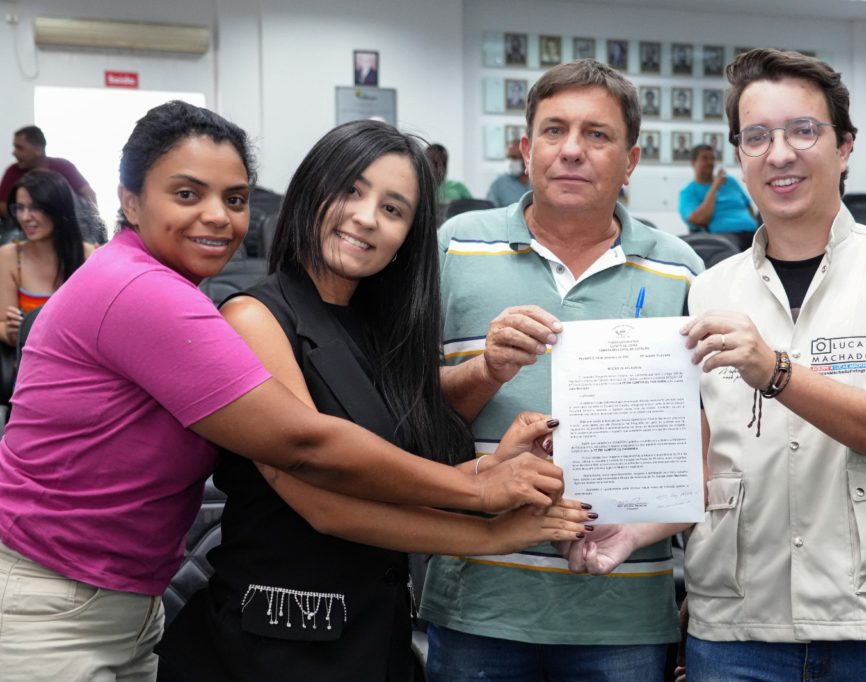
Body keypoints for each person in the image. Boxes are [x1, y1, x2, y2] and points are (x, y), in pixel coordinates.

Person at [0, 101, 570, 680]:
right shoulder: (168, 297)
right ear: (129, 199)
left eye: (235, 199)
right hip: (77, 601)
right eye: (187, 194)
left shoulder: (370, 323)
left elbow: (396, 436)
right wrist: (483, 509)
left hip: (152, 604)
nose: (217, 217)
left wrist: (489, 422)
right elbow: (310, 454)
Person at [565, 48, 866, 682]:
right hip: (736, 629)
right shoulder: (706, 291)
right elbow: (698, 464)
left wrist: (778, 373)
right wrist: (634, 531)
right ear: (740, 156)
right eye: (757, 137)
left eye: (803, 130)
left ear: (845, 146)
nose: (780, 153)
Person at [156, 120, 592, 681]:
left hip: (373, 632)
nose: (366, 217)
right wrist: (489, 521)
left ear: (406, 239)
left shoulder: (377, 331)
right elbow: (326, 504)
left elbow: (392, 472)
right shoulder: (253, 316)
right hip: (277, 643)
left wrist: (495, 462)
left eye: (393, 209)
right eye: (351, 190)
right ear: (313, 191)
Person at [419, 58, 704, 681]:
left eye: (597, 135)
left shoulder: (682, 271)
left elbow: (706, 451)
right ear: (526, 150)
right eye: (553, 131)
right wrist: (488, 370)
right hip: (481, 603)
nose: (572, 150)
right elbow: (410, 427)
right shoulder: (455, 247)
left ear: (630, 161)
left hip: (623, 610)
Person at [0, 169, 96, 346]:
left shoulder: (90, 257)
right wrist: (11, 330)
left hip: (79, 362)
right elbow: (2, 324)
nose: (24, 217)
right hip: (29, 361)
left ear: (58, 209)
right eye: (19, 208)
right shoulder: (9, 256)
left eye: (35, 207)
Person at [0, 126, 98, 220]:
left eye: (20, 148)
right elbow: (2, 205)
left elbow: (88, 193)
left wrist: (92, 222)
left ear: (38, 150)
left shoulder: (63, 166)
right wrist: (25, 218)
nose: (14, 152)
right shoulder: (13, 171)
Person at [678, 143, 757, 241]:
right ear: (693, 162)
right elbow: (699, 220)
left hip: (752, 232)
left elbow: (748, 206)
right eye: (705, 158)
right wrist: (715, 186)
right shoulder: (688, 192)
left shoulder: (730, 181)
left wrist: (751, 222)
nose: (710, 162)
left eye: (712, 158)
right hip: (722, 238)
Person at [487, 141, 530, 207]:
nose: (510, 161)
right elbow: (489, 210)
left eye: (514, 157)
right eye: (508, 157)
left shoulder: (537, 182)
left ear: (526, 157)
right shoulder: (499, 184)